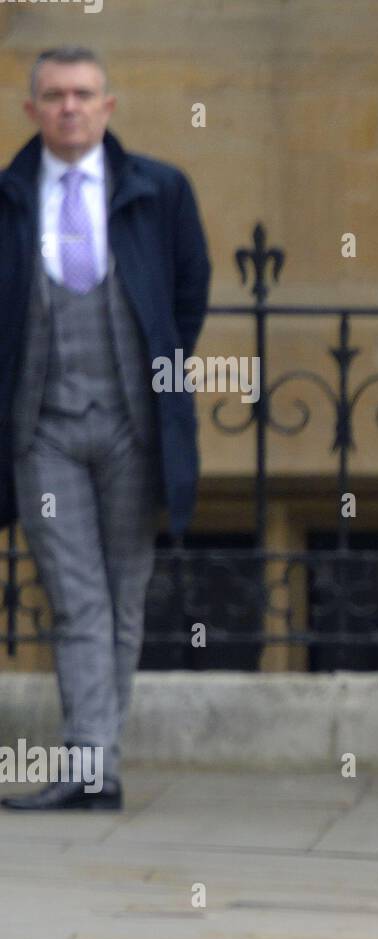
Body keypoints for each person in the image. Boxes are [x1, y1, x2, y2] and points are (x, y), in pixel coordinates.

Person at [0, 46, 211, 811]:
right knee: (78, 596)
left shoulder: (159, 191)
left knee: (124, 594)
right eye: (54, 96)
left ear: (108, 106)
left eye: (84, 94)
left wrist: (156, 376)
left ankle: (97, 764)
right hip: (43, 430)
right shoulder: (8, 200)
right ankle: (92, 765)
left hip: (132, 427)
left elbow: (188, 293)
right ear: (31, 110)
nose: (69, 108)